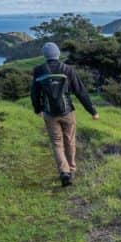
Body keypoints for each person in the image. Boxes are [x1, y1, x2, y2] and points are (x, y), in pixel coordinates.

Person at [30, 42, 98, 186]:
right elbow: (81, 92)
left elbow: (34, 93)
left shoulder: (39, 70)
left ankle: (64, 172)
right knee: (70, 141)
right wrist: (92, 111)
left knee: (57, 143)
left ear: (44, 55)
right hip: (67, 112)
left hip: (50, 113)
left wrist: (38, 109)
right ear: (58, 54)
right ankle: (71, 169)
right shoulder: (68, 69)